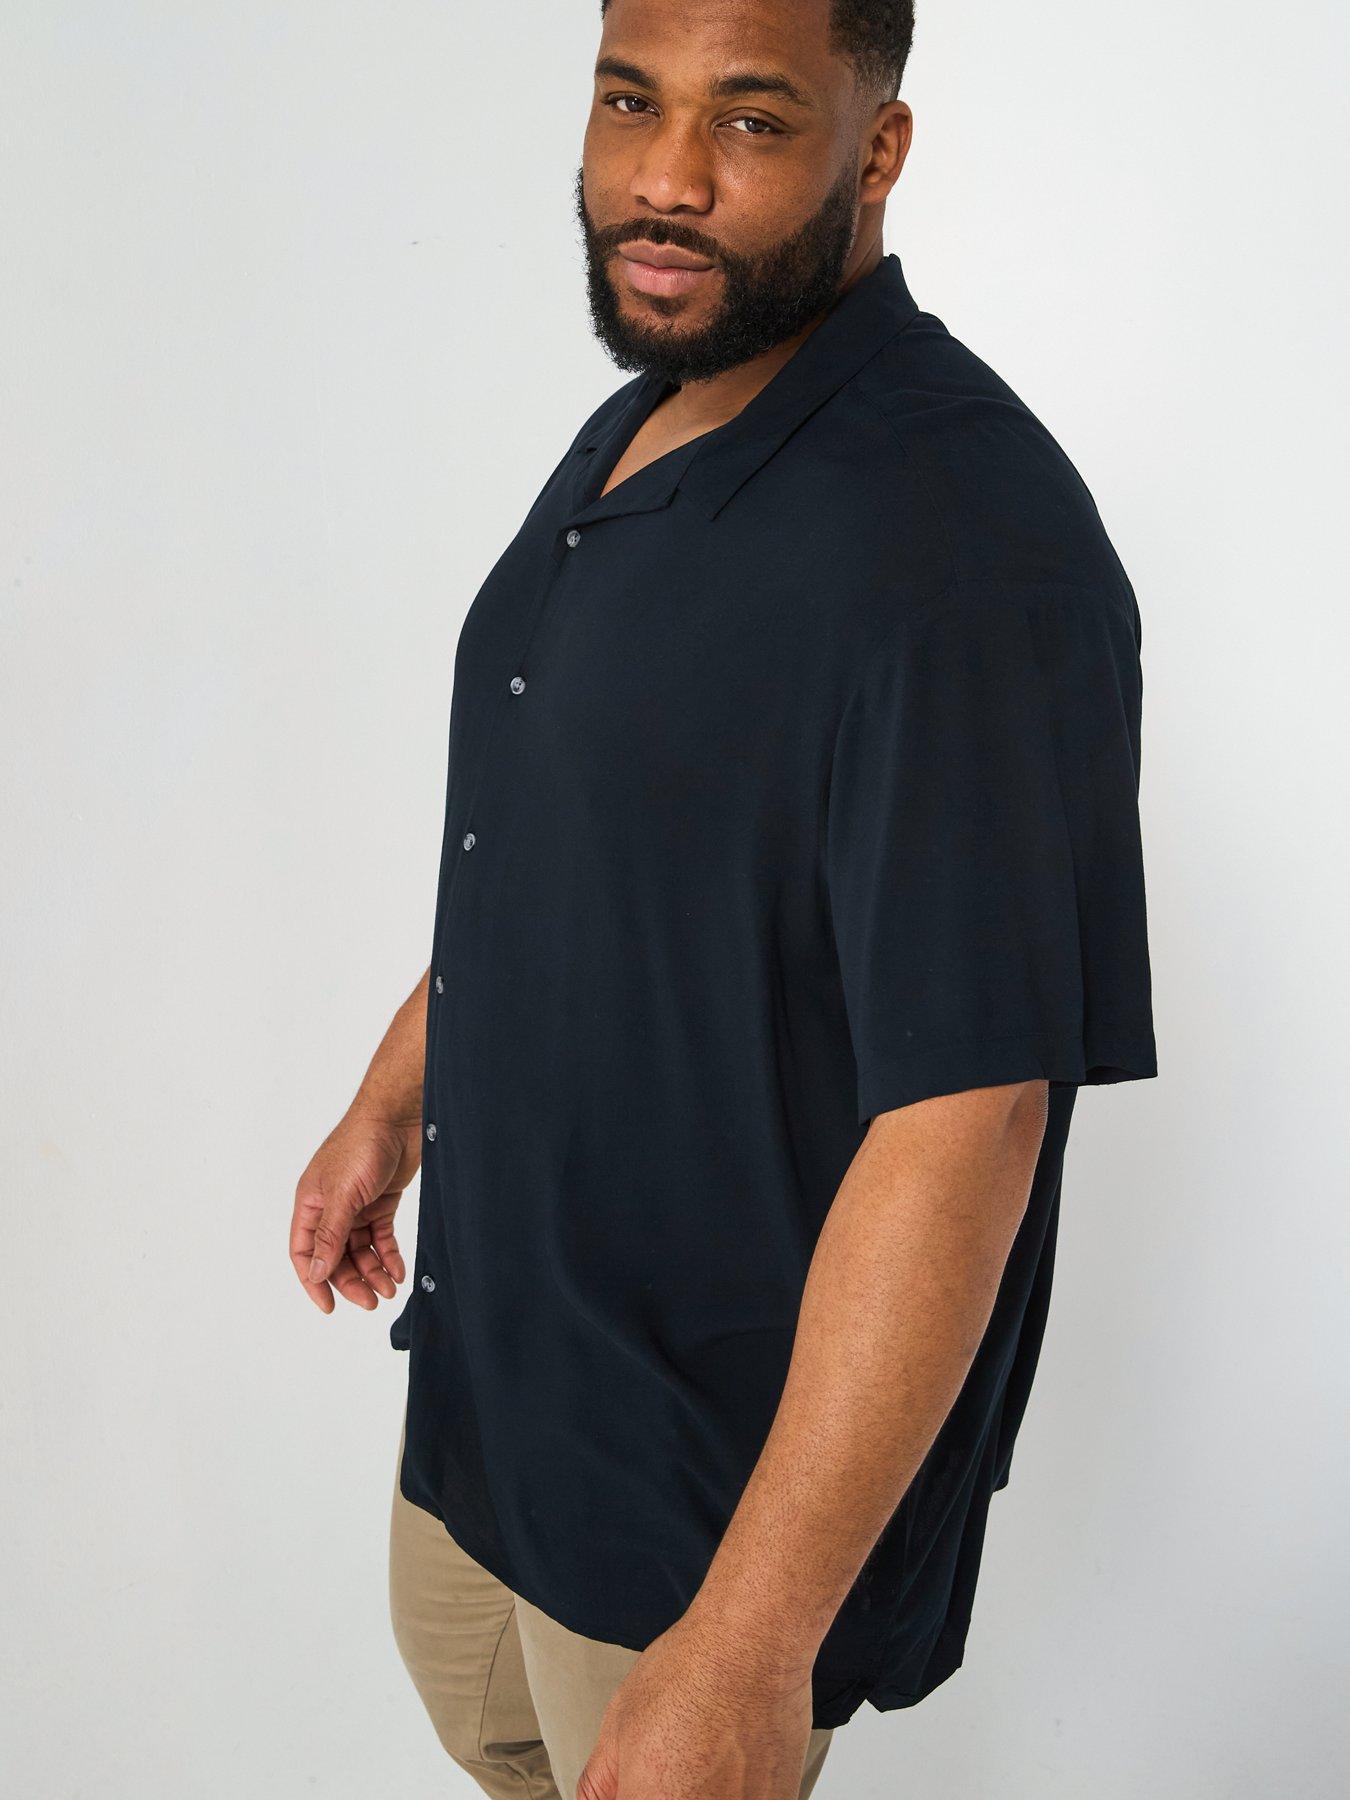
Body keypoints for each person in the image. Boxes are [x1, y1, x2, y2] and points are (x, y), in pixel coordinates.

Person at [289, 1, 1158, 1793]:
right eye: (631, 102)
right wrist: (394, 1100)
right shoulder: (657, 417)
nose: (663, 180)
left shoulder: (965, 545)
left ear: (877, 149)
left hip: (700, 1502)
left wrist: (751, 1640)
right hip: (496, 1392)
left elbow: (970, 1116)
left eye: (750, 122)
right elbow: (578, 845)